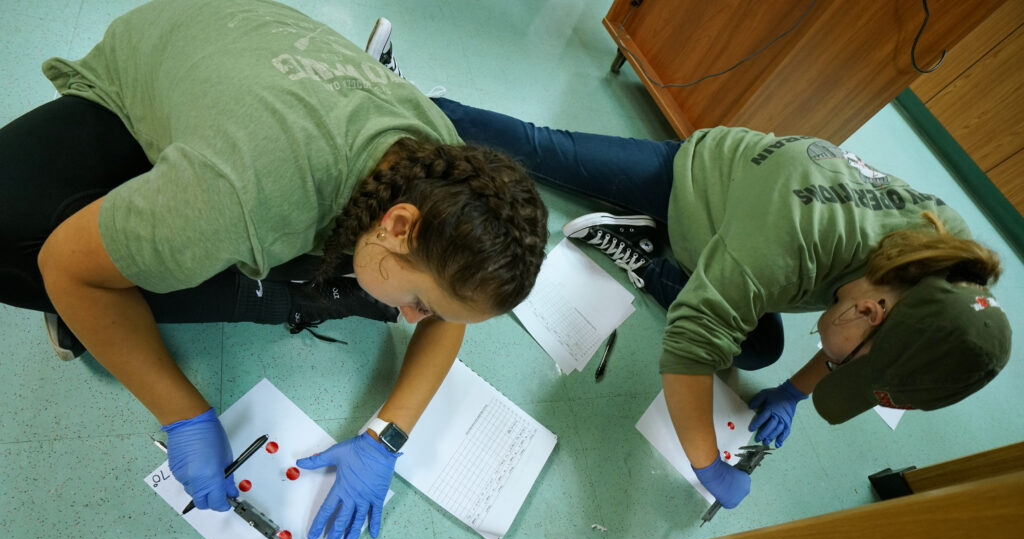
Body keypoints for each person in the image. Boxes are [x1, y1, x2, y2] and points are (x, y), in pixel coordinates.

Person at [364, 21, 1011, 511]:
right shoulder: (788, 247)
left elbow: (876, 344)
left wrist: (795, 390)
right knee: (544, 150)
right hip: (696, 180)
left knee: (759, 350)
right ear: (869, 308)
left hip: (755, 231)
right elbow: (687, 351)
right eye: (845, 361)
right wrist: (707, 465)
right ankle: (391, 94)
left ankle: (645, 254)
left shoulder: (947, 249)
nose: (833, 363)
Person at [0, 0, 548, 539]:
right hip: (153, 69)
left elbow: (451, 313)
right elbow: (67, 267)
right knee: (30, 258)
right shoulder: (243, 200)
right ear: (399, 224)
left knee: (372, 283)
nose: (412, 319)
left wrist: (387, 438)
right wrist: (183, 414)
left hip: (250, 67)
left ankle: (149, 243)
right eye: (419, 303)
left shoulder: (442, 167)